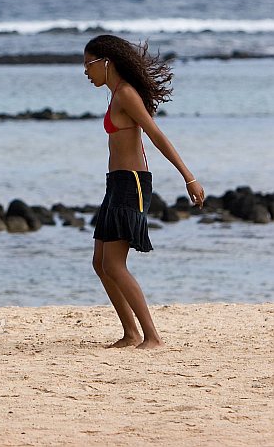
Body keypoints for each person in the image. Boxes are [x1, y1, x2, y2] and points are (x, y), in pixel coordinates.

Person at [83, 34, 205, 350]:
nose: (85, 71)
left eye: (89, 64)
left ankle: (152, 337)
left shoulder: (126, 94)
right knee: (100, 263)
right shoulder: (115, 96)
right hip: (117, 183)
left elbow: (155, 135)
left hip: (132, 184)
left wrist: (188, 177)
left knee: (114, 264)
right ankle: (131, 333)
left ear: (106, 63)